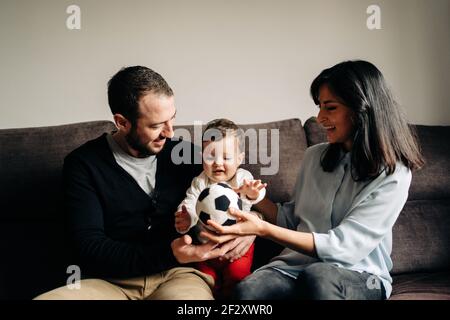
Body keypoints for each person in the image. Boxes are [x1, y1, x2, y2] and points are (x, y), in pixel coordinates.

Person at [202, 60, 424, 300]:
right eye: (319, 106)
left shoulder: (393, 173)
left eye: (330, 108)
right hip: (293, 268)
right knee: (247, 292)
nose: (319, 117)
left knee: (319, 278)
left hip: (359, 274)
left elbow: (344, 247)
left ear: (362, 109)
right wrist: (250, 198)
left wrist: (263, 230)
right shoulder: (314, 157)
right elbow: (291, 219)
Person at [34, 66, 254, 300]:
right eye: (156, 125)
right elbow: (89, 246)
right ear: (122, 122)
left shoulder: (186, 155)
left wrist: (251, 228)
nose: (169, 133)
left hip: (178, 276)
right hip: (108, 281)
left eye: (172, 119)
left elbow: (241, 190)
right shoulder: (84, 165)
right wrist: (171, 254)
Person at [175, 118, 266, 299]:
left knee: (237, 278)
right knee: (207, 281)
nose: (217, 163)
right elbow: (190, 202)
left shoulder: (242, 178)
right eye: (210, 156)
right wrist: (186, 218)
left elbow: (253, 199)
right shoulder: (200, 181)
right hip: (204, 248)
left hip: (238, 248)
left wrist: (253, 193)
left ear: (239, 159)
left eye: (226, 157)